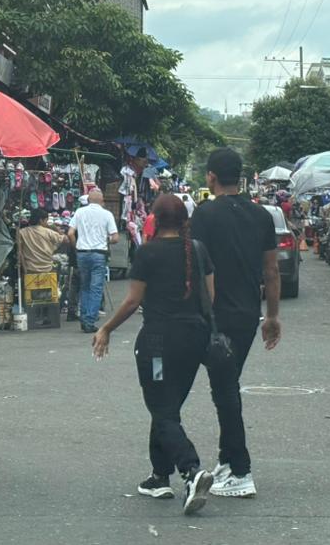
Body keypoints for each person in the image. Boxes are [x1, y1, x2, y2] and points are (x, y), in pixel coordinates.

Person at [92, 194, 215, 515]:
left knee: (161, 408)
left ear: (154, 220)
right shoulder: (199, 250)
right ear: (185, 220)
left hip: (158, 344)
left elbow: (132, 302)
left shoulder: (148, 253)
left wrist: (106, 329)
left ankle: (191, 470)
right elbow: (210, 296)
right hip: (194, 341)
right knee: (166, 407)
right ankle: (159, 476)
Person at [190, 147, 280, 499]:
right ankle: (228, 461)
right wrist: (272, 315)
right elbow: (271, 270)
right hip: (246, 315)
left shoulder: (204, 214)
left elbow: (195, 267)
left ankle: (241, 470)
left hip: (213, 315)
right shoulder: (261, 216)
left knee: (225, 391)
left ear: (211, 177)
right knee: (225, 385)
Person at [68, 188, 119, 334]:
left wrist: (76, 246)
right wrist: (106, 240)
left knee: (84, 287)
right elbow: (115, 238)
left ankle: (84, 318)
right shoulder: (107, 214)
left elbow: (70, 233)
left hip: (82, 254)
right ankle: (89, 320)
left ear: (88, 200)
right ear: (102, 201)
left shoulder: (79, 212)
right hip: (98, 254)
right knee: (95, 288)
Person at [17, 208, 68, 275]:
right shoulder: (49, 232)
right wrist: (57, 231)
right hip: (47, 269)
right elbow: (66, 239)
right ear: (41, 220)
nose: (46, 223)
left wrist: (24, 269)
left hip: (29, 269)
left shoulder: (21, 232)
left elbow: (20, 253)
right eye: (46, 221)